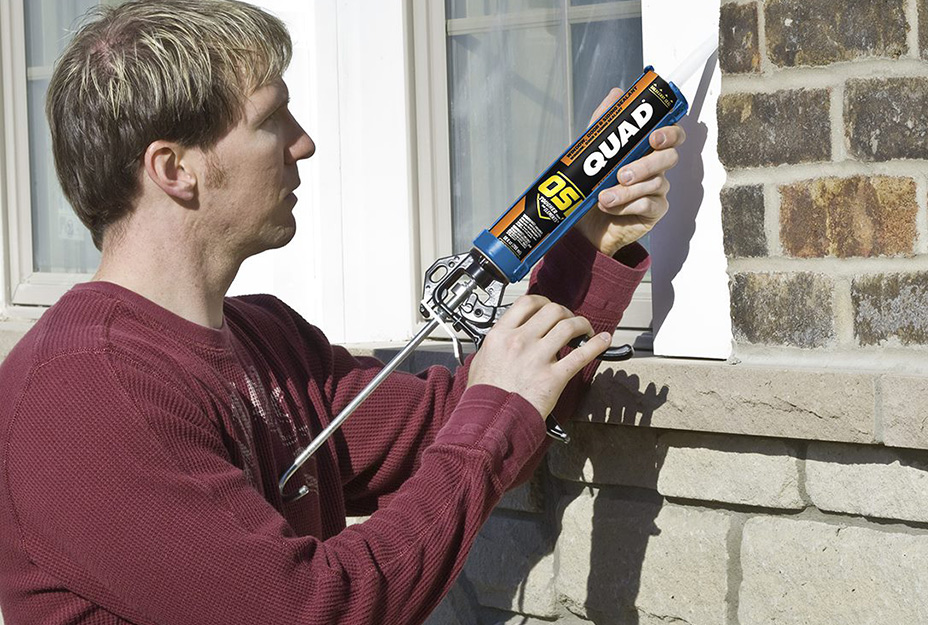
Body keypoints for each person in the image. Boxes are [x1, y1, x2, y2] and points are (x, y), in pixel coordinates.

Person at [0, 1, 684, 624]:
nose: (303, 143)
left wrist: (590, 241)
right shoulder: (83, 392)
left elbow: (472, 414)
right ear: (175, 170)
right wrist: (496, 410)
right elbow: (313, 608)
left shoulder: (267, 340)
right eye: (271, 120)